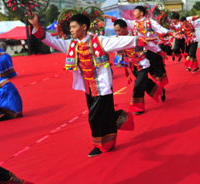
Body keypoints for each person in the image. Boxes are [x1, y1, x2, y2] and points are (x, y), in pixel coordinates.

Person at [28, 13, 145, 158]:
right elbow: (51, 41)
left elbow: (120, 41)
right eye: (70, 27)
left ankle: (100, 145)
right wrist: (36, 26)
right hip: (88, 87)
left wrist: (140, 40)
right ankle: (118, 121)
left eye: (74, 27)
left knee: (94, 117)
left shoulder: (100, 41)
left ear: (84, 27)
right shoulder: (71, 45)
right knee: (102, 115)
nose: (71, 30)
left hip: (102, 87)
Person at [104, 6, 180, 101]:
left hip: (151, 49)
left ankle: (160, 88)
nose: (134, 13)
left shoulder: (150, 21)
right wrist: (111, 18)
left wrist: (171, 33)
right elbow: (123, 22)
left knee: (156, 71)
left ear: (141, 13)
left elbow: (160, 29)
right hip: (139, 50)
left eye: (136, 11)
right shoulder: (133, 23)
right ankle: (156, 90)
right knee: (143, 76)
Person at [113, 19, 161, 111]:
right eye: (116, 31)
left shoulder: (137, 36)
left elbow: (149, 45)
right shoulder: (117, 39)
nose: (117, 32)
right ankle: (158, 91)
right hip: (132, 66)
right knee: (145, 82)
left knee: (138, 84)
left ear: (126, 28)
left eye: (119, 30)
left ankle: (138, 107)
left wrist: (159, 51)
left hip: (143, 64)